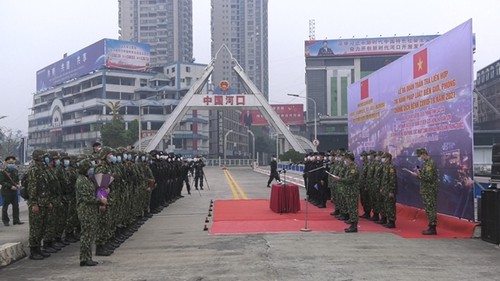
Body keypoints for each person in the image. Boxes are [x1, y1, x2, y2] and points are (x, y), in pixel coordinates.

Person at [76, 158, 104, 266]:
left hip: (90, 210)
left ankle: (87, 257)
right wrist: (100, 200)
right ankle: (84, 258)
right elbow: (87, 198)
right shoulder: (81, 181)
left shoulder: (87, 179)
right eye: (89, 168)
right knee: (86, 235)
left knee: (89, 234)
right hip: (85, 211)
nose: (91, 170)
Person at [409, 148, 438, 235]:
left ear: (424, 154)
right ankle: (431, 226)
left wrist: (417, 175)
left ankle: (432, 227)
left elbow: (428, 178)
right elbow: (426, 175)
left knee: (430, 208)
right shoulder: (426, 163)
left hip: (429, 190)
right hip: (426, 189)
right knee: (428, 208)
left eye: (420, 156)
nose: (420, 158)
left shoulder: (430, 163)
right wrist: (420, 172)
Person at [1, 156, 24, 226]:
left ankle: (16, 220)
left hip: (14, 191)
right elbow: (2, 181)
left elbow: (16, 179)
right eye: (10, 163)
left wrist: (18, 185)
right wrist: (10, 186)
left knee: (16, 206)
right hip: (6, 191)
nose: (11, 164)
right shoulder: (3, 171)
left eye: (12, 163)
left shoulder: (15, 170)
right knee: (5, 206)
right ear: (7, 163)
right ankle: (5, 221)